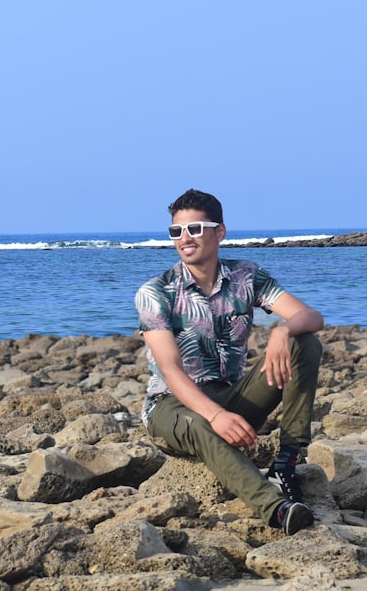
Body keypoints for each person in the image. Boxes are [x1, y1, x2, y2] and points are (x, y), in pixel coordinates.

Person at [135, 189, 324, 535]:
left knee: (304, 343)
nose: (184, 238)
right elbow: (170, 369)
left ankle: (287, 463)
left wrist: (283, 331)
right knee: (199, 423)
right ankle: (277, 510)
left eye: (194, 228)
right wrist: (216, 415)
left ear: (219, 231)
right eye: (176, 231)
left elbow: (310, 316)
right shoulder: (156, 292)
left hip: (231, 396)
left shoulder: (246, 277)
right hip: (171, 407)